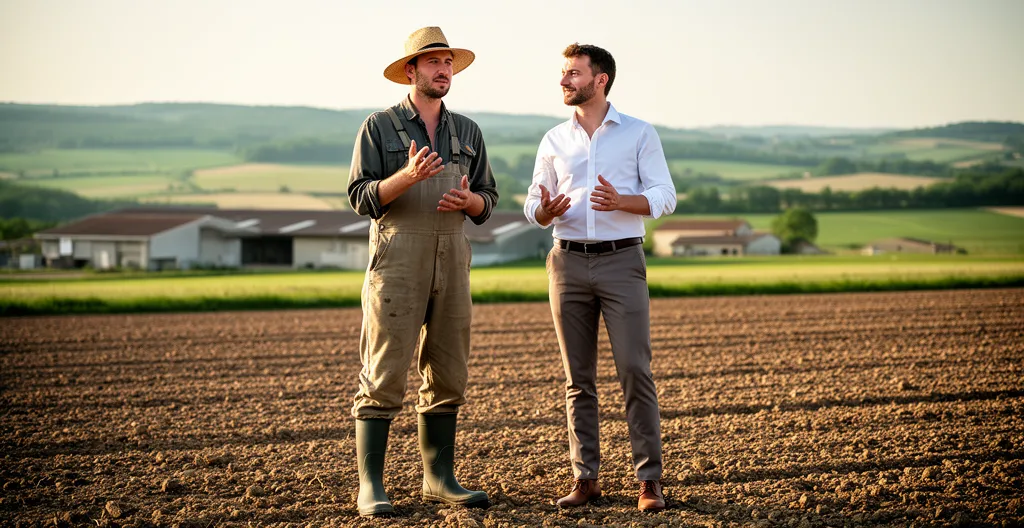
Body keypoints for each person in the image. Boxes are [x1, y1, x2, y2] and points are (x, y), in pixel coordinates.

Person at [347, 26, 498, 517]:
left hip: (453, 255)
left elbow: (487, 201)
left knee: (450, 368)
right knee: (385, 370)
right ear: (410, 71)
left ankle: (440, 479)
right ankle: (371, 485)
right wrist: (406, 178)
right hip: (398, 257)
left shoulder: (469, 132)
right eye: (433, 62)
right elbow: (360, 197)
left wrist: (471, 199)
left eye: (448, 62)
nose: (443, 70)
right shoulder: (379, 127)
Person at [523, 43, 677, 513]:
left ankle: (649, 482)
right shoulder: (553, 139)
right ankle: (585, 479)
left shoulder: (639, 134)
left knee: (635, 372)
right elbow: (532, 202)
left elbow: (665, 196)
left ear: (600, 79)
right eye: (563, 74)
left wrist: (622, 202)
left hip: (621, 262)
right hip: (566, 263)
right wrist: (542, 211)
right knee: (578, 379)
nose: (564, 81)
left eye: (573, 74)